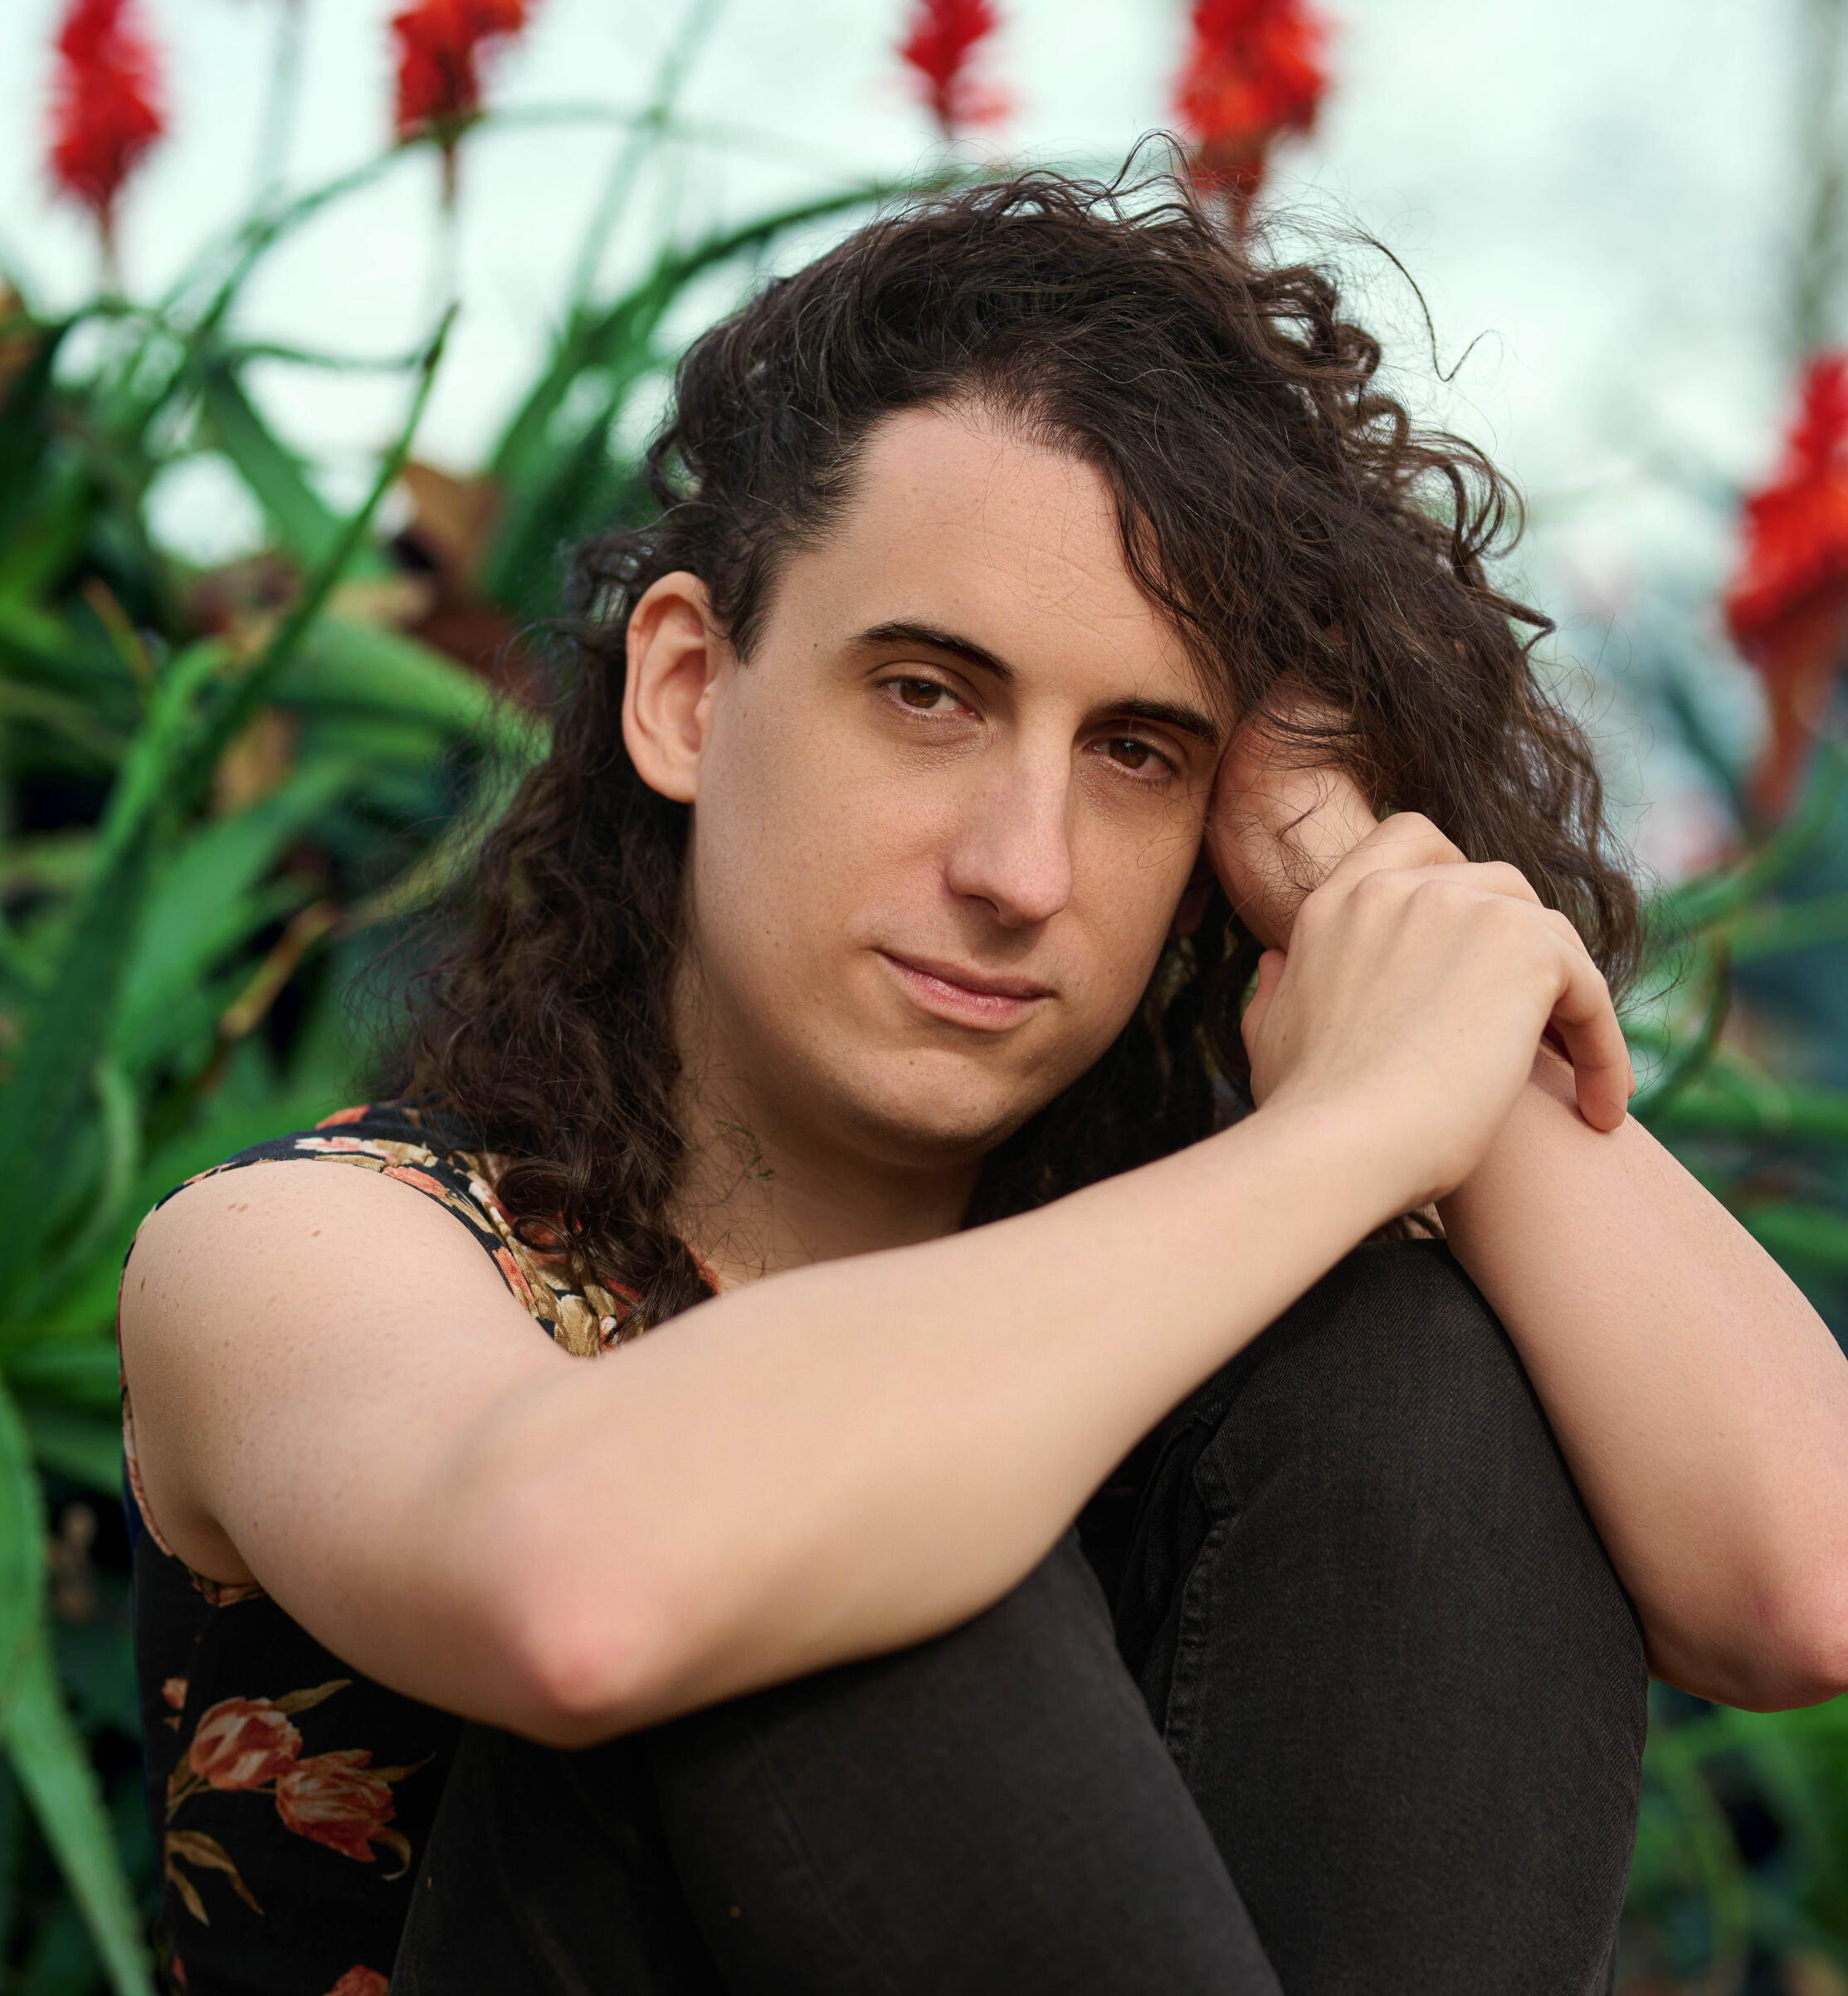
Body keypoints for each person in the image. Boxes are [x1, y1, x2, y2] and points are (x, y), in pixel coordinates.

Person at [119, 167, 1848, 1996]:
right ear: (689, 691)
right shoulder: (297, 1250)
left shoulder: (1213, 1338)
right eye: (930, 692)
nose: (1022, 866)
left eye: (1137, 749)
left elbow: (1803, 1573)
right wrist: (1349, 1128)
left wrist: (1377, 924)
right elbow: (581, 1585)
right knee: (833, 1525)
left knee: (1408, 1366)